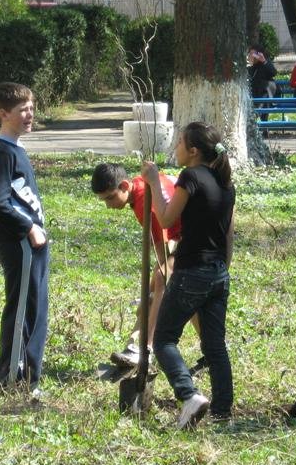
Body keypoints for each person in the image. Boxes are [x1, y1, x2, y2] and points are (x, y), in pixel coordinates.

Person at [141, 122, 236, 429]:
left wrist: (154, 182)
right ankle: (222, 410)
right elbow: (229, 235)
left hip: (192, 270)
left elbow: (167, 218)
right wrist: (220, 269)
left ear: (193, 151)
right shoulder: (226, 183)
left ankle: (189, 394)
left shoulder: (191, 176)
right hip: (219, 272)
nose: (176, 148)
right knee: (214, 345)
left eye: (180, 143)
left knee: (165, 339)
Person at [91, 162, 198, 367]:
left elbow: (162, 248)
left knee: (161, 278)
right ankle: (210, 347)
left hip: (197, 241)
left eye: (110, 197)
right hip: (186, 239)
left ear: (124, 185)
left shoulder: (143, 201)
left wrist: (161, 275)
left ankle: (144, 348)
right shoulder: (140, 185)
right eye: (103, 200)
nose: (108, 205)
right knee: (163, 286)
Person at [0, 82, 50, 401]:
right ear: (3, 114)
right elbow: (0, 203)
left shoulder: (16, 148)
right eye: (22, 109)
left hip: (33, 244)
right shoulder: (0, 152)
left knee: (37, 308)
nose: (29, 114)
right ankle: (13, 380)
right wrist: (28, 228)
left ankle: (31, 377)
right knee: (23, 308)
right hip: (20, 243)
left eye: (31, 108)